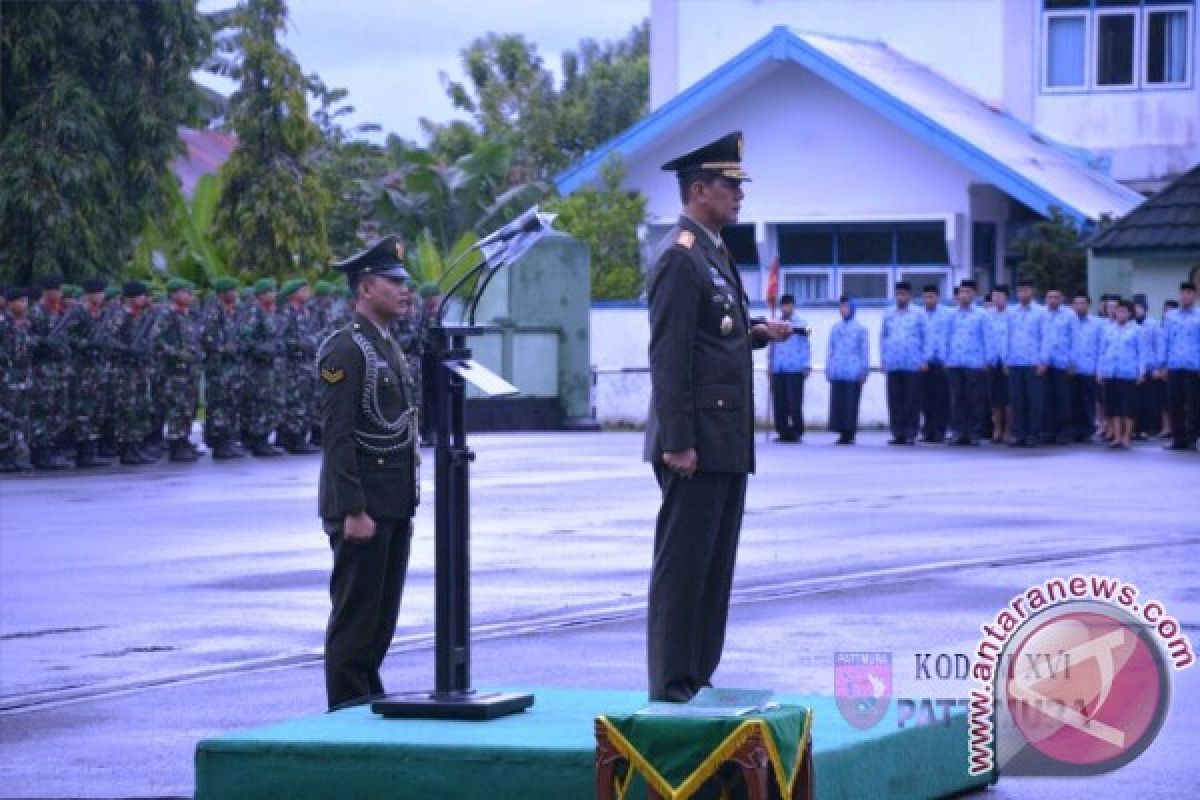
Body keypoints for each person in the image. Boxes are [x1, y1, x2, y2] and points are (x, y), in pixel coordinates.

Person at [642, 132, 791, 702]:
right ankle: (672, 684)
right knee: (684, 569)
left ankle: (698, 675)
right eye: (730, 186)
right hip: (695, 441)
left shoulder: (714, 249)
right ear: (698, 189)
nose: (739, 196)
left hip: (725, 439)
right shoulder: (680, 256)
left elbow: (713, 337)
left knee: (713, 570)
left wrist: (755, 334)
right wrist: (677, 440)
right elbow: (669, 353)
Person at [317, 235, 421, 710]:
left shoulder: (387, 346)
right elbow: (337, 436)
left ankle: (366, 695)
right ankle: (346, 706)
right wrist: (353, 508)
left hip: (393, 499)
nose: (405, 290)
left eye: (405, 282)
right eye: (393, 282)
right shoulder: (347, 350)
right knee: (356, 616)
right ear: (364, 288)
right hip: (364, 507)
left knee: (381, 617)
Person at [106, 281, 156, 465]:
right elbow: (107, 338)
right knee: (127, 409)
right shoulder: (121, 315)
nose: (145, 299)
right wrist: (126, 350)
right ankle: (127, 448)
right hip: (124, 370)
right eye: (142, 295)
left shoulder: (140, 316)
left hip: (138, 369)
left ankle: (136, 445)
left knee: (139, 407)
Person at [26, 275, 73, 469]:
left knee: (56, 411)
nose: (60, 294)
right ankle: (41, 453)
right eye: (57, 290)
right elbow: (26, 338)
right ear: (47, 291)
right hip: (42, 369)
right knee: (43, 411)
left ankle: (52, 451)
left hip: (58, 369)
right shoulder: (36, 312)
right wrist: (43, 343)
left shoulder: (56, 312)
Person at [155, 278, 204, 462]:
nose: (190, 296)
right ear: (174, 294)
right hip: (175, 370)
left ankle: (183, 440)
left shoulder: (187, 314)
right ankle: (176, 444)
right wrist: (176, 353)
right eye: (185, 292)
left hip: (190, 370)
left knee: (188, 407)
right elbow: (156, 340)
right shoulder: (167, 313)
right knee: (177, 406)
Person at [239, 278, 285, 457]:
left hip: (271, 366)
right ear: (261, 295)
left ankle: (263, 438)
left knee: (269, 402)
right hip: (257, 367)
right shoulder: (253, 312)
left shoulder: (269, 312)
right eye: (270, 291)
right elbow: (245, 337)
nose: (274, 295)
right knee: (259, 402)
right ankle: (258, 440)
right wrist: (262, 350)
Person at [201, 278, 246, 459]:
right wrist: (223, 348)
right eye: (231, 290)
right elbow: (206, 337)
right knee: (219, 404)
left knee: (231, 403)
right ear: (222, 294)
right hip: (218, 367)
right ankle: (219, 442)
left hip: (232, 367)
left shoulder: (233, 312)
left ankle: (228, 439)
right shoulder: (213, 312)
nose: (235, 293)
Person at [277, 278, 321, 454]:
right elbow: (280, 338)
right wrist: (298, 344)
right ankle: (294, 439)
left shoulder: (307, 312)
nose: (307, 293)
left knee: (307, 401)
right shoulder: (286, 314)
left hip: (307, 365)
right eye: (303, 290)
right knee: (295, 402)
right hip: (293, 366)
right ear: (293, 294)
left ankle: (302, 435)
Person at [944, 280, 991, 446]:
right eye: (962, 292)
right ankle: (958, 432)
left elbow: (987, 338)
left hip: (975, 363)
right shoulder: (951, 314)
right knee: (957, 399)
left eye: (968, 292)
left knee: (975, 400)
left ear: (974, 294)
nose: (964, 295)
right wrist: (946, 358)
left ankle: (974, 432)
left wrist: (987, 359)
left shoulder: (982, 314)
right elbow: (946, 337)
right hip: (955, 361)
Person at [880, 281, 927, 445]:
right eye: (898, 294)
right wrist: (883, 359)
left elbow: (925, 337)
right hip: (893, 362)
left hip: (913, 363)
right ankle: (897, 433)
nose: (900, 297)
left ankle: (911, 432)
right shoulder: (888, 314)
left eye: (903, 294)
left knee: (912, 400)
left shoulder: (918, 314)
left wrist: (924, 359)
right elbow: (883, 337)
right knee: (895, 400)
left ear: (909, 295)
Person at [1097, 300, 1144, 449]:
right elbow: (1102, 352)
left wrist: (1141, 372)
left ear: (1129, 314)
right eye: (1118, 311)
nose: (1120, 314)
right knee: (1113, 406)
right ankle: (1117, 436)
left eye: (1124, 311)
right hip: (1111, 372)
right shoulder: (1108, 329)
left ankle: (1127, 436)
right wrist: (1100, 371)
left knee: (1128, 406)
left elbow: (1142, 353)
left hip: (1128, 372)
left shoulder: (1136, 330)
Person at [1160, 281, 1199, 451]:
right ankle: (1178, 439)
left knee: (1194, 404)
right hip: (1175, 365)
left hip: (1194, 366)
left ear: (1195, 296)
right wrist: (1162, 365)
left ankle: (1193, 438)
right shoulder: (1171, 316)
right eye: (1183, 293)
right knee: (1174, 404)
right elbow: (1165, 341)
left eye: (1189, 293)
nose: (1185, 296)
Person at [1006, 278, 1045, 447]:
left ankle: (1033, 434)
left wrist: (1043, 360)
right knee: (1017, 400)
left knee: (1034, 400)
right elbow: (1007, 337)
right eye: (1020, 290)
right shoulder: (1012, 312)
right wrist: (1007, 359)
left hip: (1033, 361)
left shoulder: (1041, 312)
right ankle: (1019, 433)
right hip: (1015, 360)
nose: (1022, 293)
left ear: (1032, 292)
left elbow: (1046, 338)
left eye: (1026, 290)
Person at [768, 293, 812, 442]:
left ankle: (796, 431)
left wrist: (806, 365)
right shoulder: (775, 323)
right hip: (778, 368)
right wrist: (770, 365)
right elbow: (771, 346)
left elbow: (806, 346)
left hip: (795, 368)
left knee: (794, 402)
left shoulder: (801, 324)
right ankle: (782, 431)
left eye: (789, 304)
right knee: (779, 402)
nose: (786, 307)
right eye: (784, 305)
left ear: (793, 306)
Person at [827, 296, 870, 445]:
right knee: (838, 404)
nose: (843, 310)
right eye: (841, 307)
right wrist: (829, 368)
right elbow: (831, 350)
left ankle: (849, 432)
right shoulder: (835, 328)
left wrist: (864, 370)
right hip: (838, 370)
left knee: (850, 404)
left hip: (853, 372)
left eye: (846, 307)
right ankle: (840, 431)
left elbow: (864, 351)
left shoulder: (860, 329)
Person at [0, 288, 34, 472]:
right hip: (6, 377)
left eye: (26, 301)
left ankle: (18, 456)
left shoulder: (25, 324)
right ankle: (4, 455)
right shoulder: (3, 323)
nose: (24, 305)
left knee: (20, 417)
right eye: (20, 301)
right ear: (10, 303)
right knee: (4, 417)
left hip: (22, 378)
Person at [1040, 289, 1074, 445]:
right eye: (1049, 297)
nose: (1052, 300)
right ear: (1045, 299)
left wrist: (1072, 362)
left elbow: (1075, 339)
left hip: (1062, 362)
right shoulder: (1041, 314)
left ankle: (1064, 433)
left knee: (1063, 399)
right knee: (1045, 398)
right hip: (1044, 363)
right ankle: (1048, 431)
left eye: (1056, 297)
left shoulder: (1069, 315)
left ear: (1061, 299)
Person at [1068, 294, 1103, 442]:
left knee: (1088, 401)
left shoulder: (1097, 324)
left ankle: (1088, 430)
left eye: (1082, 303)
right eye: (1076, 303)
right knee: (1072, 401)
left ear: (1088, 305)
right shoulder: (1068, 322)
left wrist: (1099, 369)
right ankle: (1074, 430)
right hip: (1071, 369)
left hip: (1089, 367)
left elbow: (1101, 347)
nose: (1079, 307)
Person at [919, 285, 950, 443]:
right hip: (924, 363)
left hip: (941, 362)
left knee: (941, 398)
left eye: (931, 297)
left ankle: (940, 430)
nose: (928, 300)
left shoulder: (947, 314)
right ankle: (928, 430)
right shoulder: (918, 315)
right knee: (925, 399)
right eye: (925, 297)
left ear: (937, 297)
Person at [1132, 295, 1165, 439]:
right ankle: (1134, 429)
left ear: (1145, 308)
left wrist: (1159, 366)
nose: (1137, 310)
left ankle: (1147, 428)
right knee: (1134, 401)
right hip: (1133, 368)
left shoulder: (1153, 324)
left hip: (1150, 367)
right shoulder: (1130, 324)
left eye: (1139, 307)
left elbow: (1159, 346)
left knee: (1149, 400)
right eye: (1134, 308)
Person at [985, 286, 1011, 443]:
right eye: (994, 296)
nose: (997, 299)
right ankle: (997, 428)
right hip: (993, 360)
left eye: (1000, 296)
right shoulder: (987, 316)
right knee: (995, 398)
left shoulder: (1013, 314)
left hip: (1008, 361)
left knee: (1009, 398)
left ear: (1006, 297)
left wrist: (1009, 360)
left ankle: (1008, 428)